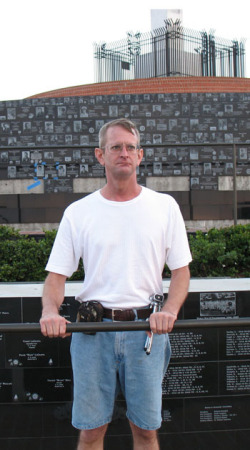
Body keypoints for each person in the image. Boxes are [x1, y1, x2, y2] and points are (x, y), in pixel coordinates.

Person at [40, 118, 192, 450]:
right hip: (92, 333)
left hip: (146, 332)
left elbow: (181, 272)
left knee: (147, 430)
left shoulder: (164, 207)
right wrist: (50, 311)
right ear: (100, 155)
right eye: (115, 147)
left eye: (130, 147)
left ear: (140, 155)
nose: (123, 153)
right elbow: (56, 277)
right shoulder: (79, 213)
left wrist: (169, 310)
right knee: (91, 431)